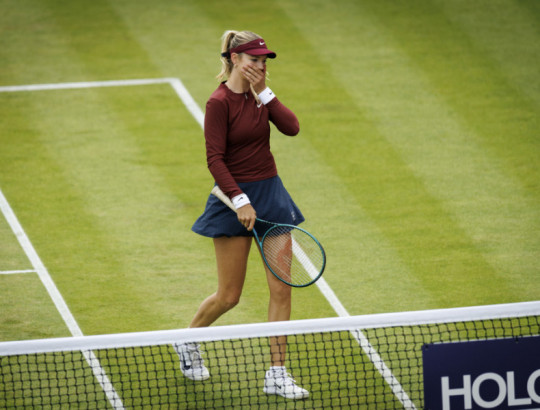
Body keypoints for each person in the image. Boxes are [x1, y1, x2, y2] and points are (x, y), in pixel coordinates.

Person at [174, 30, 309, 400]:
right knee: (229, 295)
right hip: (234, 201)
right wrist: (240, 200)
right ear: (234, 59)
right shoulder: (218, 103)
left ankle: (276, 374)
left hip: (272, 198)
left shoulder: (261, 96)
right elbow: (214, 159)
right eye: (254, 60)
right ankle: (187, 340)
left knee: (281, 289)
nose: (260, 66)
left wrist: (264, 91)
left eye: (264, 61)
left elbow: (292, 128)